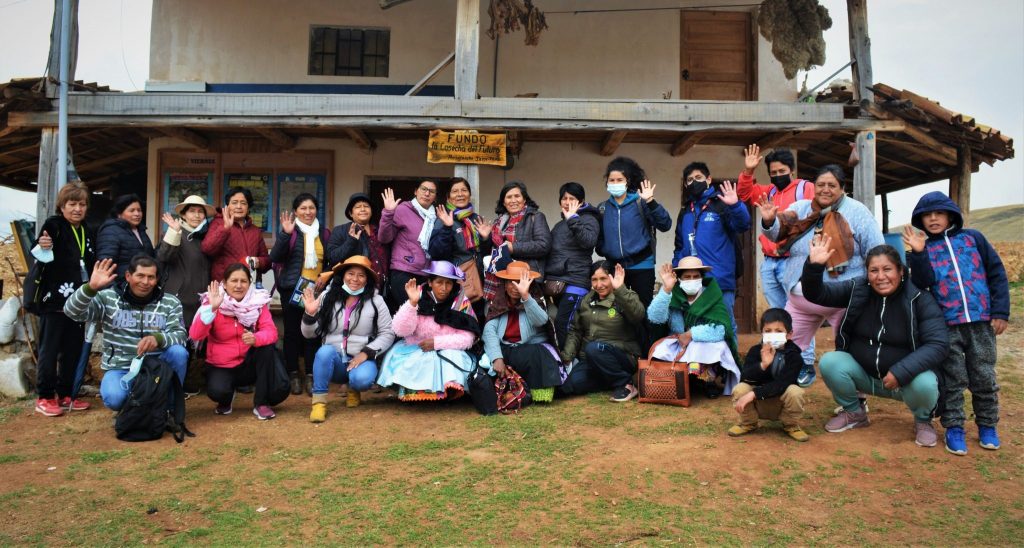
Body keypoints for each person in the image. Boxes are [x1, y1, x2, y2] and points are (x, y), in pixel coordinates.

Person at [804, 240, 946, 448]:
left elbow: (938, 344)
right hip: (866, 374)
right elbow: (818, 294)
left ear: (900, 271)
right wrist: (814, 267)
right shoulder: (858, 289)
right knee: (830, 362)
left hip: (905, 381)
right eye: (874, 271)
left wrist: (901, 372)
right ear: (867, 274)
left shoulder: (919, 298)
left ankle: (923, 421)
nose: (881, 277)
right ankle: (854, 412)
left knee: (926, 382)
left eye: (887, 269)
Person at [759, 164, 885, 387]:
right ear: (813, 186)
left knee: (849, 350)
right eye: (820, 185)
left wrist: (873, 288)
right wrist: (769, 221)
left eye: (832, 185)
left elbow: (876, 251)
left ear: (842, 188)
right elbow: (778, 232)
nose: (825, 189)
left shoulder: (857, 212)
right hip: (801, 300)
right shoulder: (801, 208)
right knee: (781, 345)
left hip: (843, 300)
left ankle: (855, 404)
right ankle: (776, 393)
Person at [904, 191, 1010, 454]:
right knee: (954, 378)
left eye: (938, 213)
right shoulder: (924, 249)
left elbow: (996, 273)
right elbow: (923, 282)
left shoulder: (973, 239)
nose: (933, 218)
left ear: (950, 215)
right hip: (947, 325)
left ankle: (987, 425)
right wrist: (917, 255)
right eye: (927, 215)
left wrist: (1000, 311)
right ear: (921, 220)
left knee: (984, 375)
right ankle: (954, 427)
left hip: (980, 321)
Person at [63, 256, 189, 412]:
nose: (145, 282)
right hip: (121, 368)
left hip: (157, 368)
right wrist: (91, 288)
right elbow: (71, 311)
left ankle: (169, 409)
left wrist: (158, 339)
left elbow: (181, 335)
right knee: (115, 397)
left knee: (179, 352)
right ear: (129, 276)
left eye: (151, 277)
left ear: (157, 279)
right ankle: (133, 410)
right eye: (140, 276)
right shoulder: (108, 298)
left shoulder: (170, 302)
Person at [302, 256, 395, 422]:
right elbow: (310, 334)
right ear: (343, 276)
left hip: (361, 359)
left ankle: (354, 389)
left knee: (362, 379)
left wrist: (367, 353)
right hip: (335, 360)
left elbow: (388, 333)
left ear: (367, 279)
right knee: (324, 352)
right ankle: (319, 404)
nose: (355, 279)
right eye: (350, 273)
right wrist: (310, 314)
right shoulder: (327, 297)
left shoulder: (376, 301)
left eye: (361, 275)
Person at [30, 182, 96, 416]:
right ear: (62, 206)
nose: (78, 208)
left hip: (78, 301)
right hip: (55, 300)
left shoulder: (87, 229)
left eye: (82, 204)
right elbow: (38, 249)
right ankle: (45, 396)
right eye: (72, 204)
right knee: (50, 349)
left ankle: (66, 394)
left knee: (72, 349)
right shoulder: (54, 225)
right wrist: (42, 244)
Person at [189, 263, 282, 420]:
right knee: (218, 392)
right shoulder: (212, 301)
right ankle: (227, 398)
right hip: (222, 364)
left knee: (266, 348)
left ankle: (261, 403)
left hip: (248, 363)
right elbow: (196, 335)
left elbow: (271, 332)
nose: (239, 285)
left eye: (243, 281)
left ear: (249, 283)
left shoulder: (258, 303)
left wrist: (256, 338)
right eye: (234, 281)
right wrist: (211, 308)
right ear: (224, 283)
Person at [376, 261, 480, 401]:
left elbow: (468, 338)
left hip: (450, 351)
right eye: (439, 282)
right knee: (421, 361)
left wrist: (437, 343)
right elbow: (400, 330)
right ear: (430, 282)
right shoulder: (419, 297)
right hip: (417, 349)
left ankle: (449, 391)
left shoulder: (460, 301)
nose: (444, 288)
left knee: (450, 357)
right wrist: (412, 304)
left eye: (448, 283)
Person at [647, 257, 742, 399]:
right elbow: (655, 317)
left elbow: (721, 329)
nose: (692, 280)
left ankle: (707, 381)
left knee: (716, 347)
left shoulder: (712, 295)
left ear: (702, 278)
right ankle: (680, 380)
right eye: (687, 277)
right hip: (678, 343)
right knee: (661, 350)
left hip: (703, 343)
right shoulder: (673, 293)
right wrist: (666, 289)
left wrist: (691, 334)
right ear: (679, 278)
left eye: (696, 276)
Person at [672, 162, 751, 331]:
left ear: (708, 179)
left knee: (725, 326)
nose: (694, 182)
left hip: (719, 279)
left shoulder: (721, 204)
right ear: (686, 184)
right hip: (691, 280)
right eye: (690, 179)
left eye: (699, 177)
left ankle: (731, 358)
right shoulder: (685, 210)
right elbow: (679, 245)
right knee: (694, 326)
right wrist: (676, 269)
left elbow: (743, 225)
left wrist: (736, 205)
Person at [736, 145, 815, 310]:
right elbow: (744, 194)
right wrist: (749, 171)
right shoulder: (769, 192)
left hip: (793, 261)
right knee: (778, 314)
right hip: (769, 263)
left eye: (782, 171)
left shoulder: (805, 188)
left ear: (791, 170)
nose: (778, 175)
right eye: (773, 173)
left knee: (800, 314)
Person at [558, 261, 646, 402]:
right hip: (592, 360)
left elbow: (638, 315)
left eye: (603, 279)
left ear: (612, 278)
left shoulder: (624, 295)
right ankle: (611, 379)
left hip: (622, 356)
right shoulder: (587, 299)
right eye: (594, 280)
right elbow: (576, 330)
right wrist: (567, 357)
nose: (599, 285)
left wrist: (620, 290)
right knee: (571, 386)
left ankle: (626, 383)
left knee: (594, 348)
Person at [269, 193, 330, 395]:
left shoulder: (324, 233)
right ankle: (293, 373)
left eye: (311, 208)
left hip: (316, 291)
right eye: (303, 208)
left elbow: (329, 261)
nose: (307, 212)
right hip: (292, 291)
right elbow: (275, 257)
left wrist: (326, 275)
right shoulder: (291, 232)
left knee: (312, 334)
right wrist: (285, 235)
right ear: (296, 211)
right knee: (293, 333)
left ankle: (311, 375)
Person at [482, 261, 562, 403]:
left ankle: (539, 394)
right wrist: (496, 357)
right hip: (505, 349)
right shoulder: (496, 304)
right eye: (511, 282)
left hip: (528, 348)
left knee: (538, 353)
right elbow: (489, 331)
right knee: (486, 361)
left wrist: (526, 297)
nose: (515, 287)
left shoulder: (535, 301)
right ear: (505, 285)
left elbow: (541, 320)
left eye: (520, 282)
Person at [597, 157, 672, 307]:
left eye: (620, 179)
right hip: (615, 269)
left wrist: (651, 201)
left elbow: (665, 224)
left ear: (628, 181)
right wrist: (604, 249)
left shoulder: (641, 202)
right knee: (616, 313)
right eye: (612, 180)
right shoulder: (603, 208)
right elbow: (600, 238)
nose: (615, 183)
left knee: (642, 312)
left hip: (642, 266)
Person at [728, 308, 808, 442]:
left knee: (795, 392)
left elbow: (782, 384)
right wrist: (763, 365)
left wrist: (753, 394)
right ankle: (748, 423)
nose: (773, 335)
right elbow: (745, 376)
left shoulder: (795, 357)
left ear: (789, 334)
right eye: (768, 331)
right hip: (758, 404)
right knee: (740, 388)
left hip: (781, 404)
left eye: (779, 331)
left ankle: (791, 425)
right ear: (762, 333)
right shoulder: (755, 351)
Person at [543, 182, 601, 347]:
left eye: (572, 198)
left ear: (581, 201)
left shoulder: (590, 219)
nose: (567, 202)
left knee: (564, 324)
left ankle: (568, 363)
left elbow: (588, 242)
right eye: (564, 198)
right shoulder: (559, 225)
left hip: (576, 280)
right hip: (558, 282)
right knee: (561, 324)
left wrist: (573, 220)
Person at [429, 177, 491, 320]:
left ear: (470, 194)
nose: (460, 194)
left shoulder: (475, 219)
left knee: (479, 320)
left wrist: (485, 239)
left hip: (478, 279)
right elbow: (437, 253)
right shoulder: (444, 219)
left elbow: (485, 253)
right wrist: (447, 228)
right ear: (448, 197)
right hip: (457, 281)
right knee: (460, 321)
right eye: (455, 191)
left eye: (464, 190)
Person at [482, 181, 551, 302]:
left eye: (517, 196)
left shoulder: (535, 217)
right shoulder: (499, 222)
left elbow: (543, 245)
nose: (513, 200)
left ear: (524, 199)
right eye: (509, 197)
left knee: (526, 317)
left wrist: (513, 247)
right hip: (502, 280)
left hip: (526, 278)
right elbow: (492, 253)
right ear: (504, 202)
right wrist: (486, 238)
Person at [156, 195, 215, 328]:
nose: (197, 215)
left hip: (201, 300)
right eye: (192, 211)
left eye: (200, 212)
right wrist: (174, 232)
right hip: (179, 299)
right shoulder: (175, 232)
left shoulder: (206, 237)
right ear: (183, 214)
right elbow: (164, 256)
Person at [378, 181, 437, 312]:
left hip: (425, 274)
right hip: (404, 272)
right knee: (410, 312)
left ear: (435, 197)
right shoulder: (403, 209)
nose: (427, 193)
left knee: (423, 315)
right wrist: (388, 212)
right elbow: (384, 238)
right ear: (416, 191)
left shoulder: (435, 216)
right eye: (424, 189)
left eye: (431, 191)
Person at [201, 187, 271, 285]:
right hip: (224, 286)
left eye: (243, 203)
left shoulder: (255, 230)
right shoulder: (217, 223)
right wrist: (225, 229)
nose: (239, 206)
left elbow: (267, 261)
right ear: (227, 206)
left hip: (248, 286)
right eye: (234, 202)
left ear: (248, 207)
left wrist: (258, 261)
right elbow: (207, 249)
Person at [325, 192, 389, 291]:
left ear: (371, 211)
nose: (363, 209)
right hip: (354, 288)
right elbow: (332, 258)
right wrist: (351, 241)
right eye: (358, 207)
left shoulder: (380, 231)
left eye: (366, 206)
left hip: (382, 288)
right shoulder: (340, 230)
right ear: (351, 213)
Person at [95, 194, 155, 279]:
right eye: (132, 210)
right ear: (119, 214)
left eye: (139, 210)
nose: (137, 214)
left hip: (140, 284)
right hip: (121, 286)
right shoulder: (111, 231)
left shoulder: (141, 231)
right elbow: (105, 265)